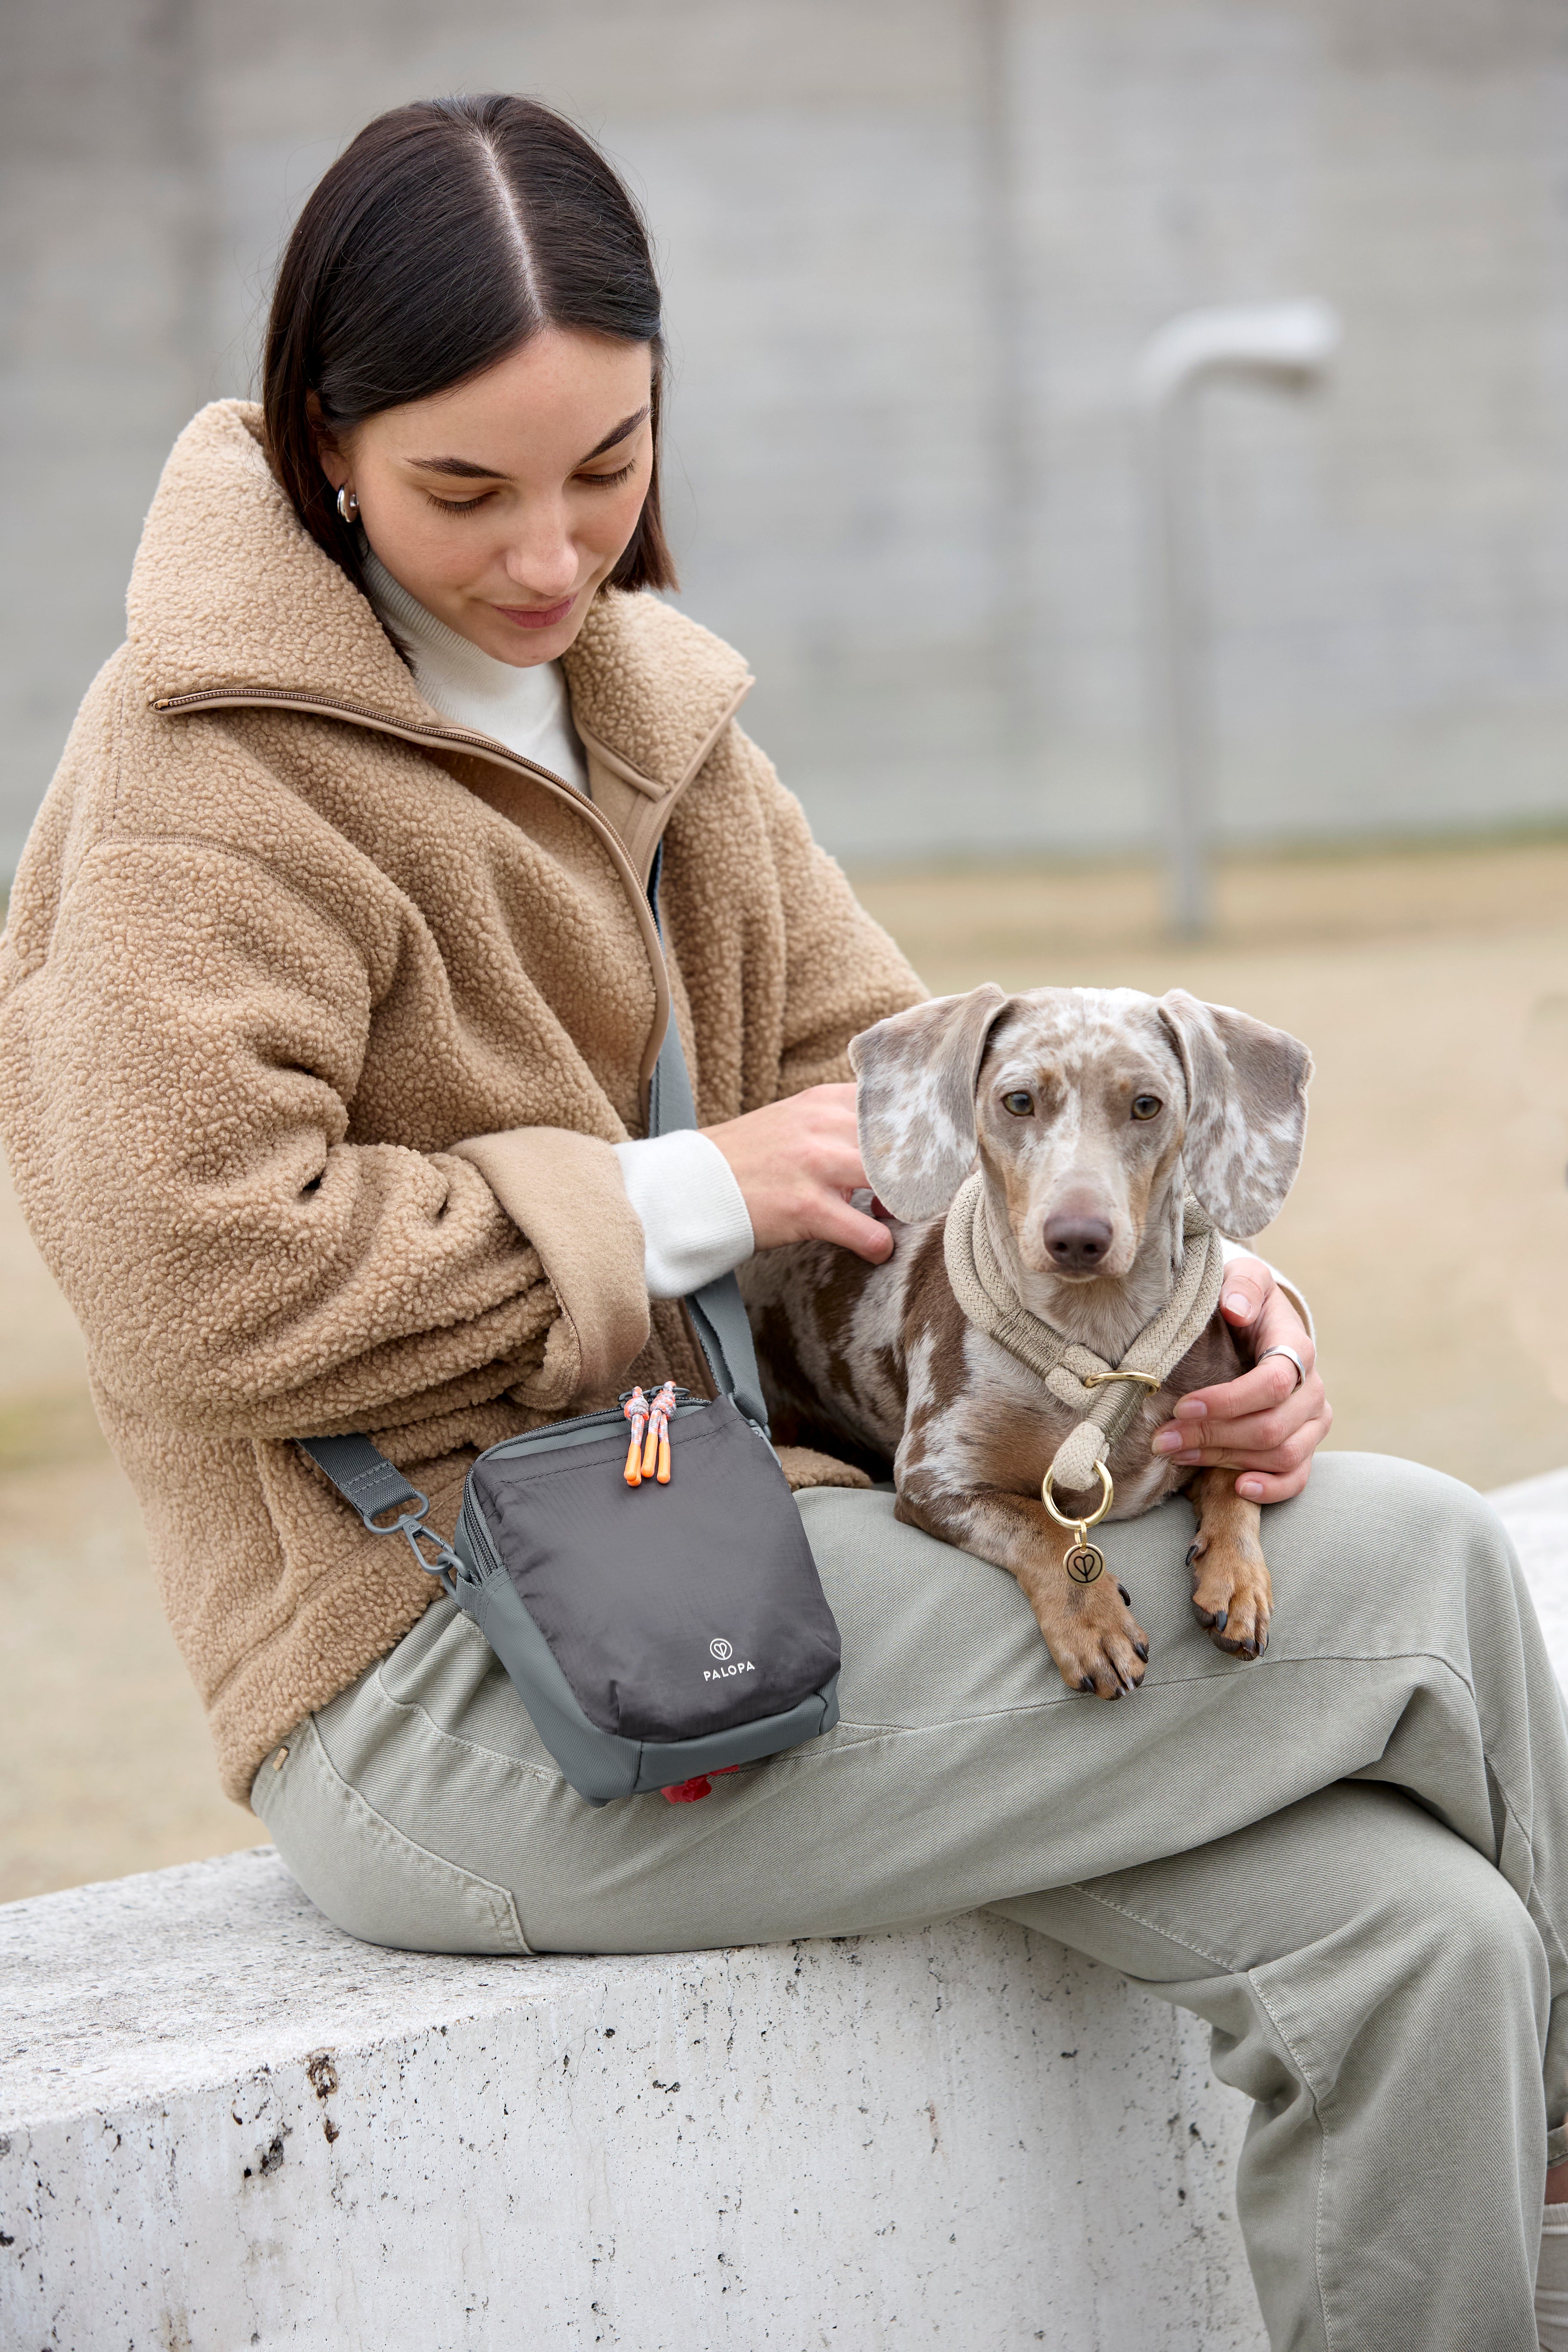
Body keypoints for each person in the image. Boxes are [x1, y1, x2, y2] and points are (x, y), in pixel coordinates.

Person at [0, 92, 1563, 2352]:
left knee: (1432, 1953)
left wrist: (1217, 1309)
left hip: (763, 1566)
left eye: (609, 466)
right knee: (1418, 1569)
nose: (553, 555)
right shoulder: (193, 778)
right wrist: (675, 1197)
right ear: (326, 443)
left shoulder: (653, 713)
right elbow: (183, 1286)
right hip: (453, 1686)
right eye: (467, 490)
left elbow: (913, 1123)